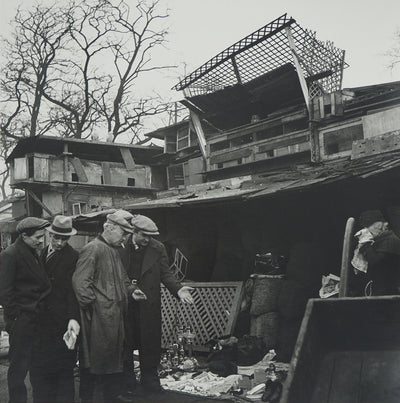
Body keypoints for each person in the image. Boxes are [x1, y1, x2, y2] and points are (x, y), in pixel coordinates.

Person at [119, 214, 194, 398]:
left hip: (148, 303)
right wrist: (130, 289)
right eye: (144, 235)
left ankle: (150, 382)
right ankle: (127, 384)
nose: (147, 239)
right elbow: (117, 275)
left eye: (150, 236)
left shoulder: (157, 248)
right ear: (134, 232)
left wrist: (177, 290)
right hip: (125, 303)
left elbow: (166, 273)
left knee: (150, 344)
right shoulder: (120, 246)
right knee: (124, 345)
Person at [72, 210, 137, 403]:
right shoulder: (93, 249)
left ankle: (111, 396)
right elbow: (80, 283)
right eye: (123, 233)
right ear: (109, 228)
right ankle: (88, 398)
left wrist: (132, 290)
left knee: (112, 357)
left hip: (112, 316)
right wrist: (94, 307)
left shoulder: (113, 251)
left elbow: (122, 279)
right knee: (92, 359)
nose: (125, 238)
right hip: (99, 317)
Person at [29, 215, 80, 403]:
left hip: (61, 323)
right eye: (56, 237)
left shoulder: (74, 257)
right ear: (50, 235)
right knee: (41, 371)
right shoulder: (40, 253)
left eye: (64, 239)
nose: (59, 243)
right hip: (40, 322)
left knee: (63, 371)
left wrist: (73, 318)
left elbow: (74, 292)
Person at [0, 217, 50, 403]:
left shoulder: (32, 251)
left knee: (37, 364)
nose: (41, 241)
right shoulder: (10, 254)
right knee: (18, 369)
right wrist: (16, 318)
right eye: (37, 237)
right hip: (22, 320)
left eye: (42, 237)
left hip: (36, 318)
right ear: (24, 236)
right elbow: (5, 292)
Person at [353, 210, 400, 295]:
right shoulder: (379, 241)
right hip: (380, 290)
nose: (366, 230)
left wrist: (365, 243)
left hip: (389, 293)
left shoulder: (390, 240)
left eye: (368, 227)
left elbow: (375, 262)